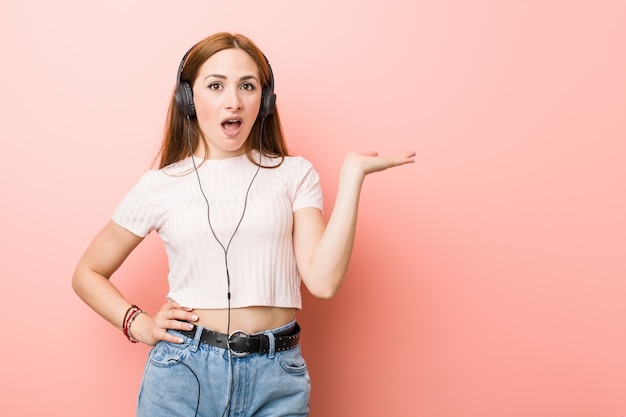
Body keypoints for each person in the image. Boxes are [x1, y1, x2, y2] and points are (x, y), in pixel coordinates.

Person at [72, 32, 415, 417]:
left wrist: (353, 177)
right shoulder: (160, 185)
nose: (233, 101)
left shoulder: (294, 174)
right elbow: (87, 272)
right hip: (182, 373)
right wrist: (139, 325)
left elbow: (323, 280)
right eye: (215, 85)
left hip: (276, 375)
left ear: (265, 101)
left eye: (247, 86)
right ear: (189, 98)